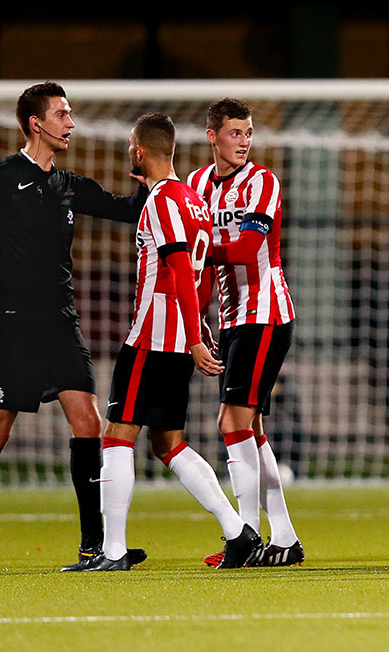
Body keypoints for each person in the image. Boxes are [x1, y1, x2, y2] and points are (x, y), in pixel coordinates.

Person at [0, 81, 148, 571]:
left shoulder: (70, 185)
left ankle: (94, 546)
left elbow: (125, 210)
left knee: (88, 419)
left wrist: (151, 180)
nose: (70, 122)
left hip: (61, 321)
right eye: (62, 114)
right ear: (37, 123)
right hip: (14, 323)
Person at [70, 113, 263, 571]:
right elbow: (200, 273)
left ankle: (113, 551)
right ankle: (238, 532)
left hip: (155, 336)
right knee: (168, 443)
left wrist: (196, 338)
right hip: (178, 338)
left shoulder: (161, 202)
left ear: (139, 150)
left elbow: (178, 270)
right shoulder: (194, 200)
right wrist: (196, 328)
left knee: (116, 436)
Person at [186, 98, 303, 567]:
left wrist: (191, 245)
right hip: (232, 319)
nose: (244, 141)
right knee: (249, 428)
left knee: (231, 422)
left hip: (266, 313)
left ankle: (247, 537)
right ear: (213, 136)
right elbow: (198, 267)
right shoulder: (194, 184)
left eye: (249, 133)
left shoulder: (262, 182)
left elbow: (247, 247)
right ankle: (284, 539)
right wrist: (196, 321)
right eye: (235, 133)